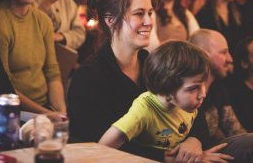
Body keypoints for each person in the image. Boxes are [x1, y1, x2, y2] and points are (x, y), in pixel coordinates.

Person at [68, 0, 238, 162]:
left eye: (150, 13)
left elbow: (194, 110)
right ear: (110, 20)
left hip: (181, 153)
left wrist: (193, 142)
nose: (149, 22)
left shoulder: (155, 62)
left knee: (250, 144)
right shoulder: (89, 76)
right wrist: (166, 157)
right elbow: (97, 143)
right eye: (139, 14)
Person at [99, 41, 234, 162]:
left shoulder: (187, 104)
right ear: (167, 90)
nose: (203, 94)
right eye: (193, 88)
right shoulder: (144, 110)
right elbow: (103, 147)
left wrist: (194, 142)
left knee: (251, 143)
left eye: (203, 85)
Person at [189, 29, 247, 141]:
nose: (230, 59)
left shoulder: (218, 87)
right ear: (203, 54)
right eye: (223, 52)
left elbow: (235, 132)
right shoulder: (186, 92)